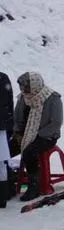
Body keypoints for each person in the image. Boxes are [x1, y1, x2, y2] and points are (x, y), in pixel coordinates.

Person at [11, 72, 63, 202]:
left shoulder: (53, 98)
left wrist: (35, 135)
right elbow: (17, 119)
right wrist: (18, 133)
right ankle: (7, 181)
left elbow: (55, 123)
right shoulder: (23, 98)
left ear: (34, 85)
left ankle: (34, 186)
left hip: (46, 136)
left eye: (25, 86)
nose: (23, 89)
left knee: (29, 152)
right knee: (6, 150)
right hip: (25, 135)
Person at [0, 70, 13, 207]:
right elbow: (9, 104)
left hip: (2, 127)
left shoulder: (2, 78)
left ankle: (3, 195)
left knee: (1, 163)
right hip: (3, 126)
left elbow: (7, 103)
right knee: (1, 164)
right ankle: (3, 195)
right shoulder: (3, 78)